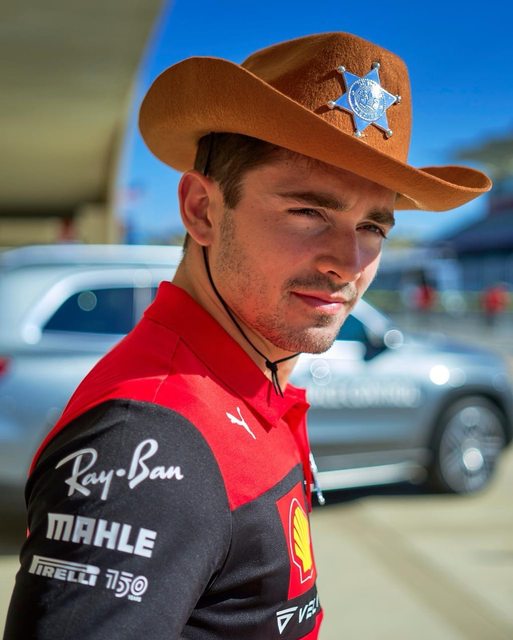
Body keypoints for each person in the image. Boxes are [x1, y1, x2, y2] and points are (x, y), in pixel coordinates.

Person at [4, 31, 491, 639]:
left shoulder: (246, 386)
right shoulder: (146, 443)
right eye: (309, 212)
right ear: (202, 210)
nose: (348, 262)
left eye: (373, 227)